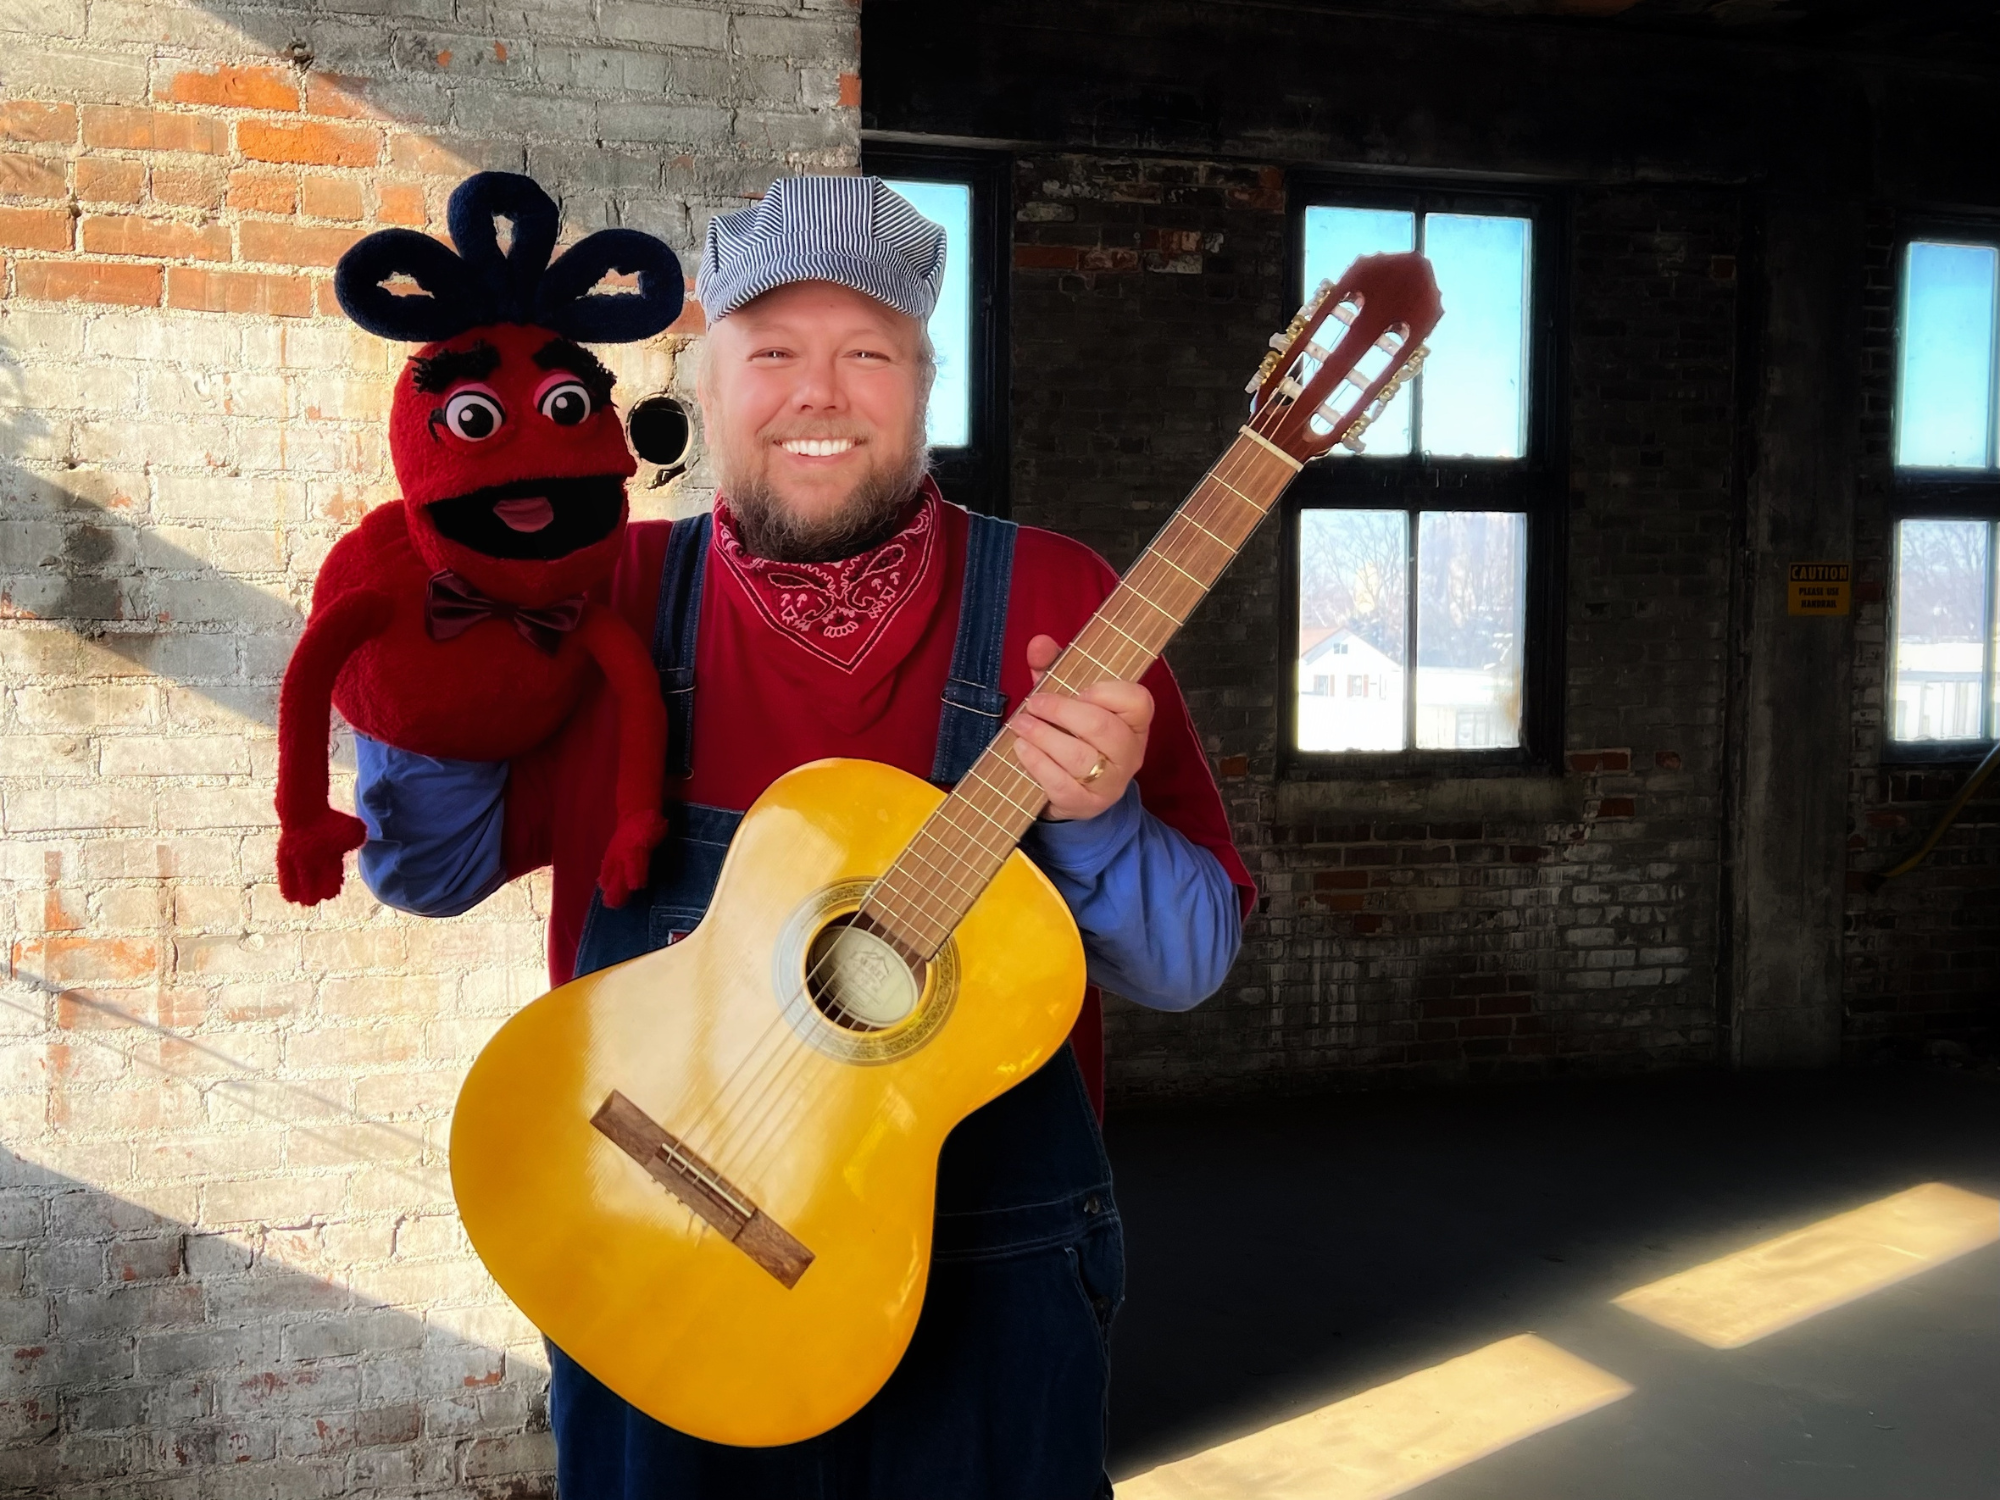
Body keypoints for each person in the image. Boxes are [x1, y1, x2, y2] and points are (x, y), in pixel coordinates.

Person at [351, 175, 1254, 1500]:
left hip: (985, 1276)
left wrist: (1102, 817)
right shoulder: (609, 600)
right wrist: (438, 634)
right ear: (704, 386)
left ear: (921, 383)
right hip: (656, 1247)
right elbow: (424, 870)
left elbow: (1184, 966)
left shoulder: (1063, 602)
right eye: (771, 353)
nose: (818, 395)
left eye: (866, 353)